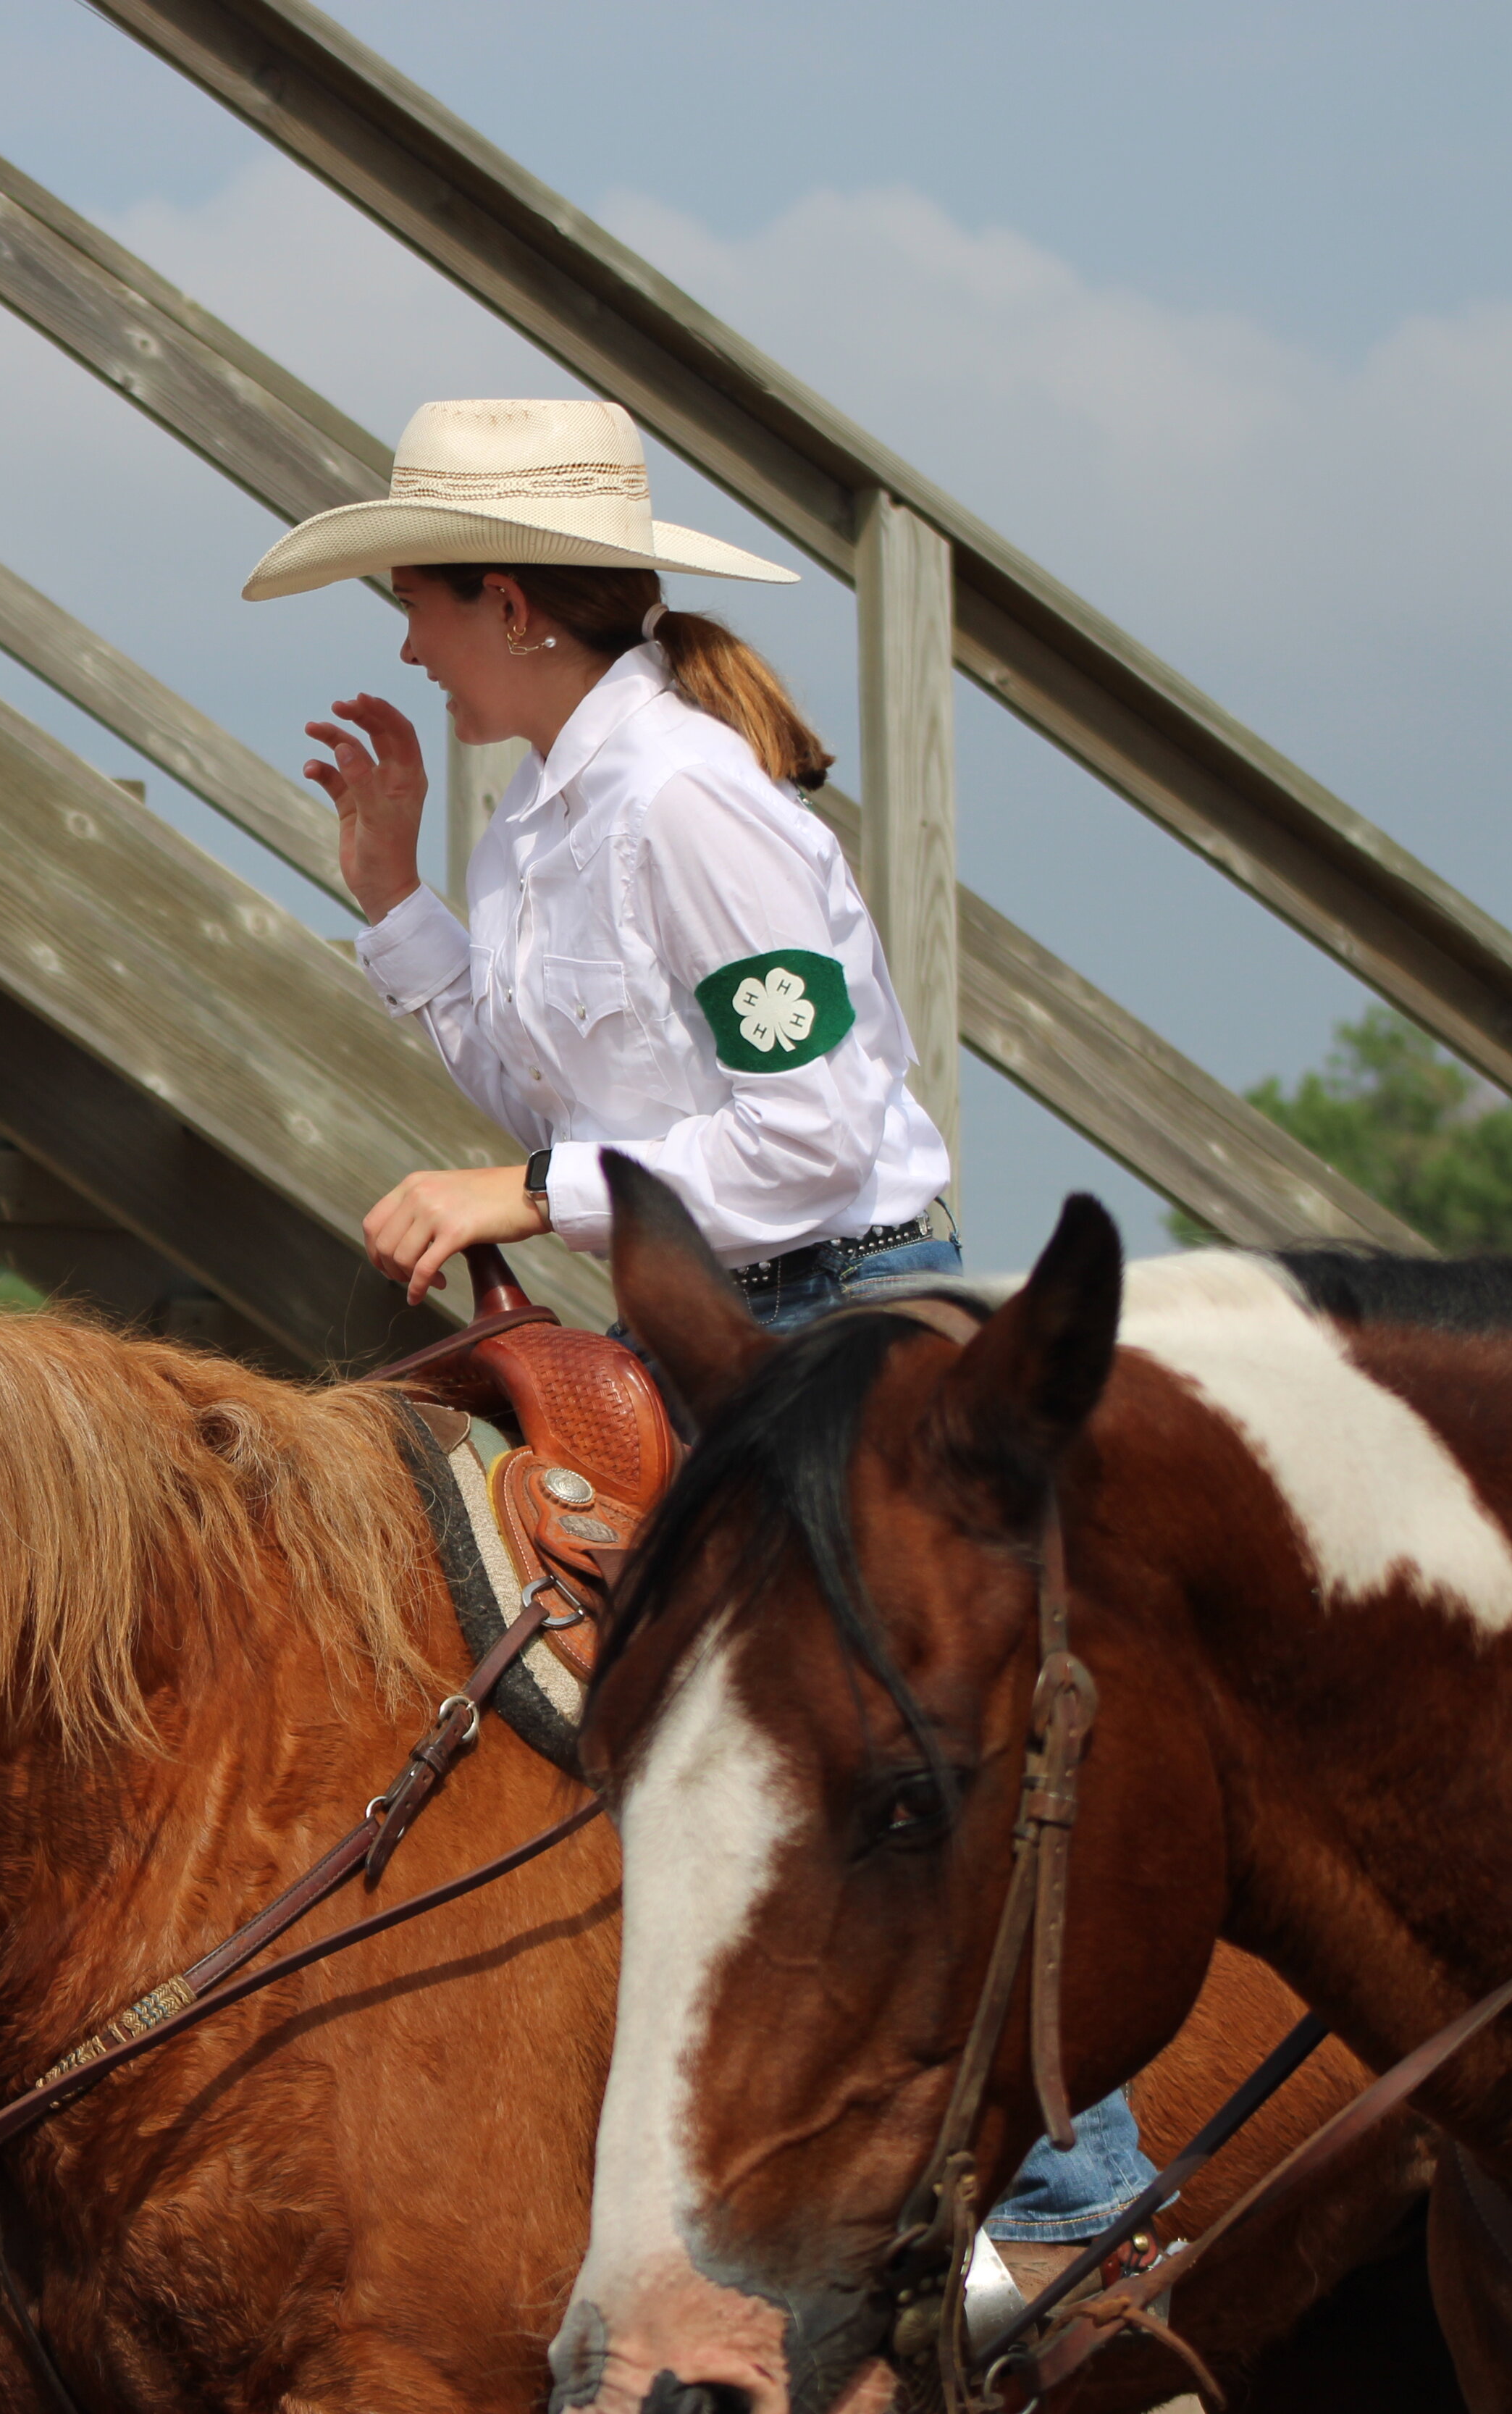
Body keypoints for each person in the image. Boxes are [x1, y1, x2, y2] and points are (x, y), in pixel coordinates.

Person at [244, 398, 1154, 2281]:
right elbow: (543, 1070)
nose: (404, 637)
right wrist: (398, 893)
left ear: (506, 600)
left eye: (417, 596)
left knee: (876, 1718)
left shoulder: (683, 802)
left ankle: (1076, 2202)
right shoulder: (564, 805)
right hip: (723, 1323)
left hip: (843, 1303)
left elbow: (815, 1129)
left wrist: (532, 1192)